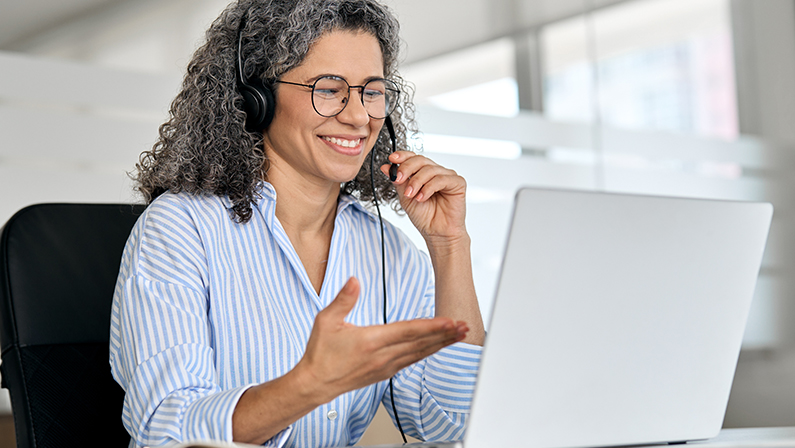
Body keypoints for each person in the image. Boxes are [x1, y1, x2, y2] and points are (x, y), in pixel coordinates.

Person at [109, 0, 486, 446]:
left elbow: (450, 425)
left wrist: (449, 246)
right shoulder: (181, 227)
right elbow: (165, 428)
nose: (359, 116)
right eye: (328, 89)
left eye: (372, 91)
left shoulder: (388, 249)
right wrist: (307, 385)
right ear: (257, 99)